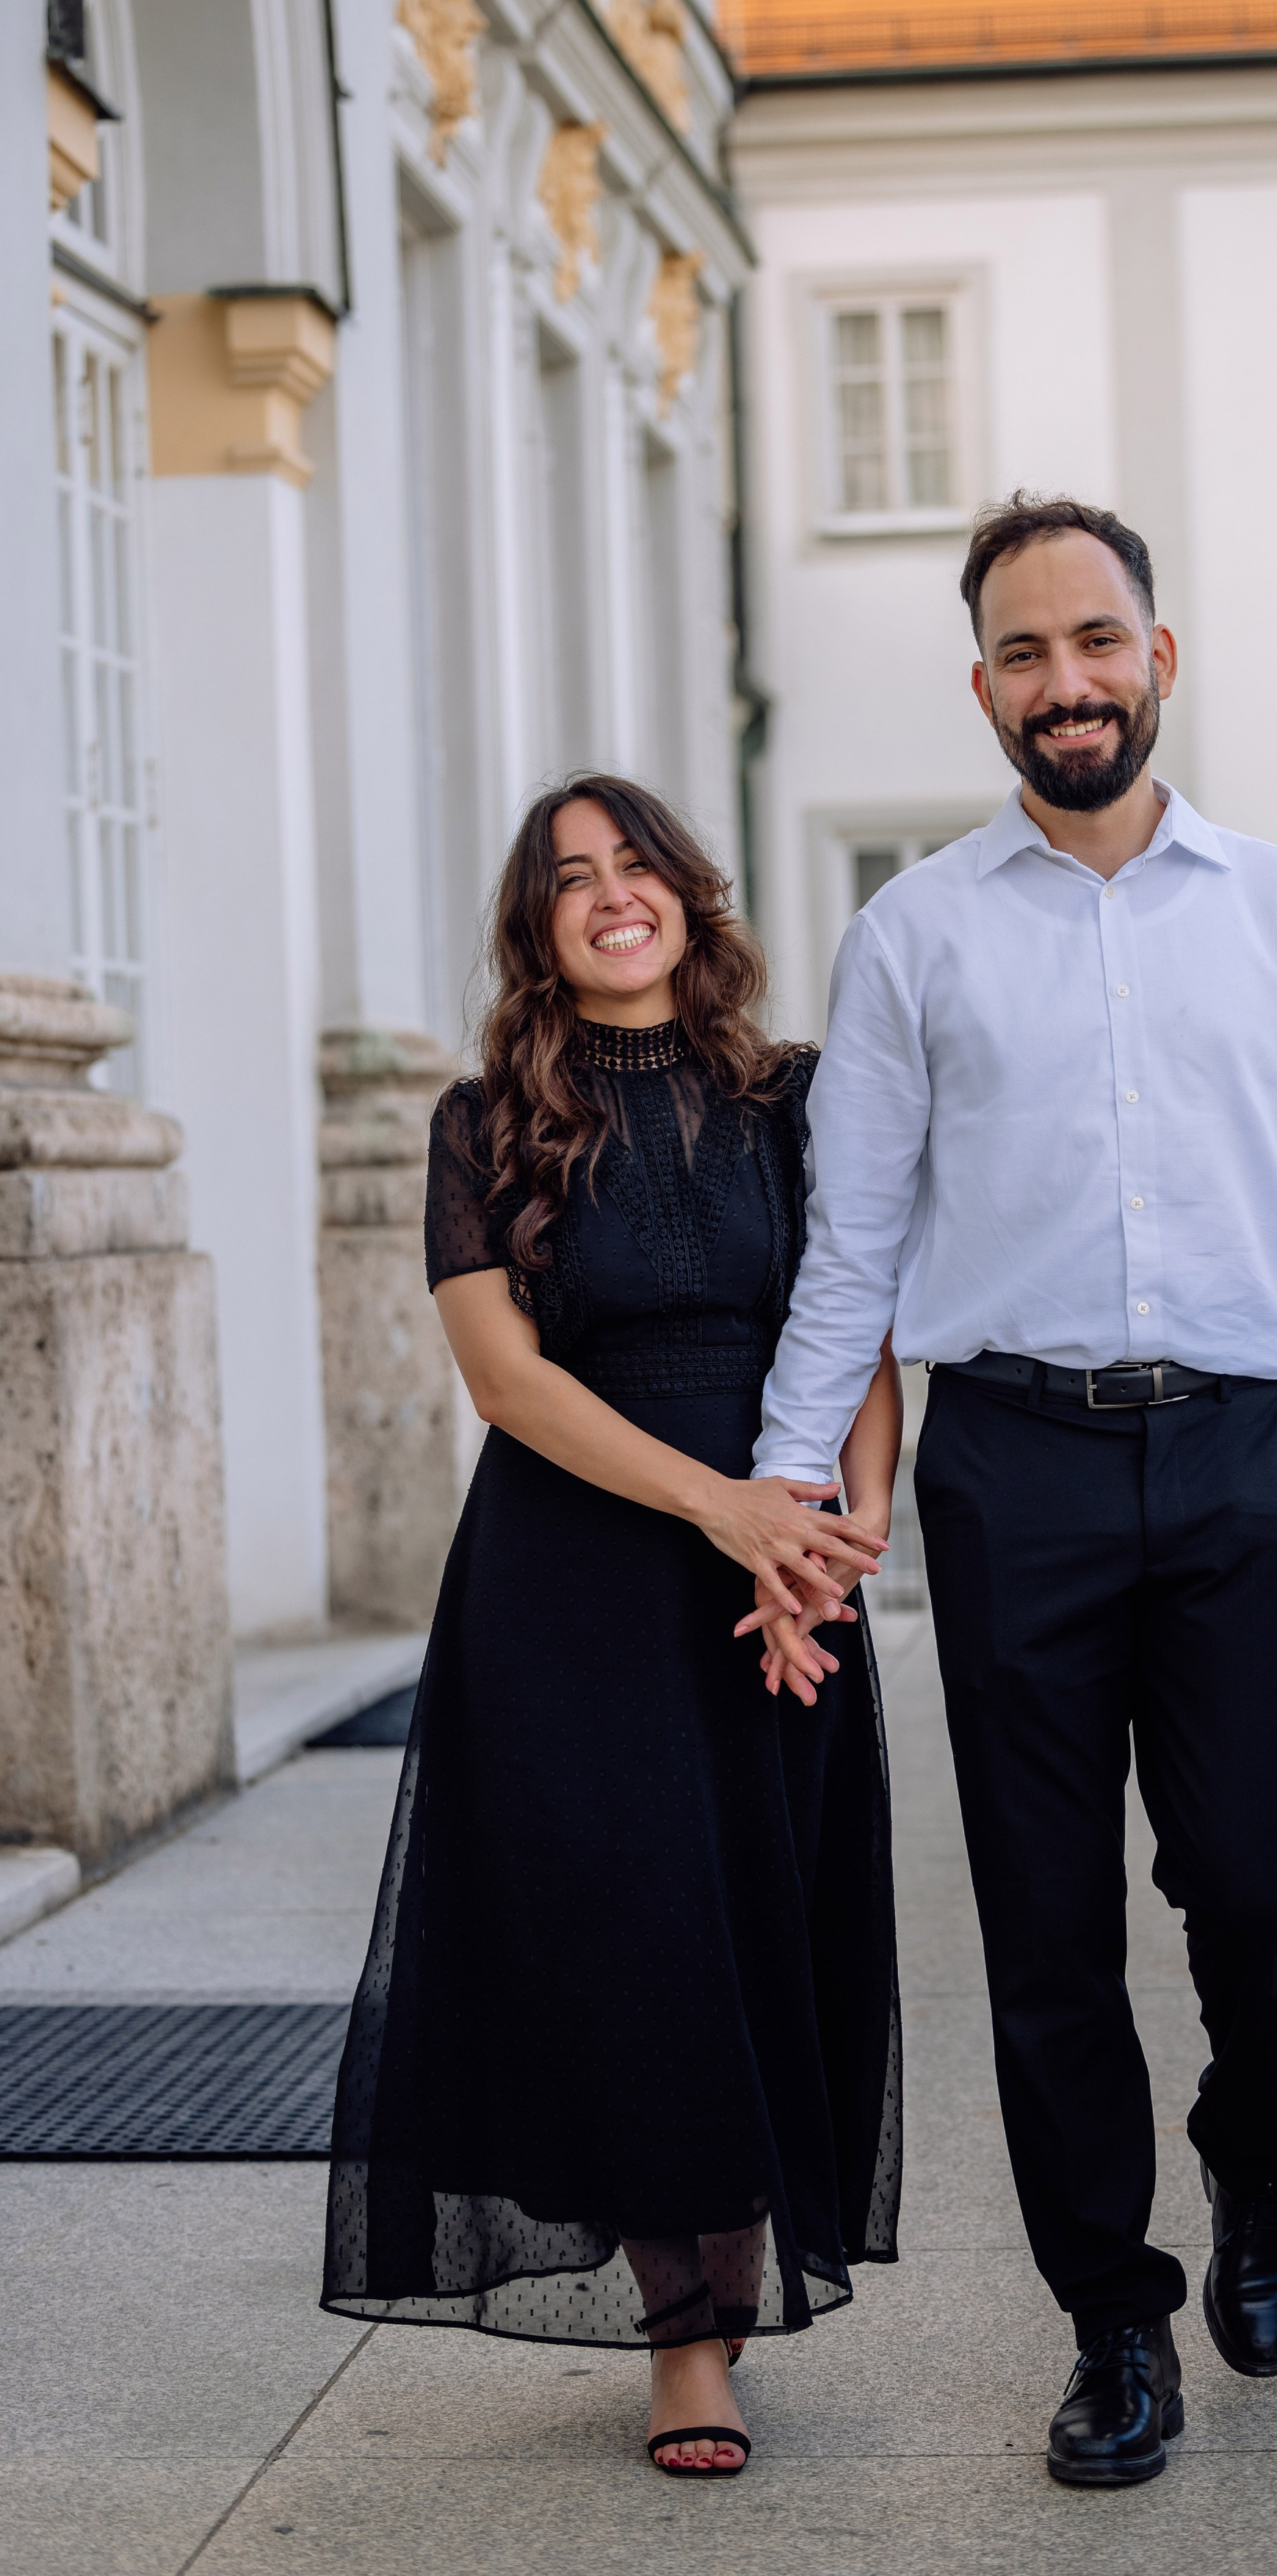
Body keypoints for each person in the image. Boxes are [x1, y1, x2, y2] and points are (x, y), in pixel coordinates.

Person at [746, 494, 1277, 2489]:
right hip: (1012, 1464)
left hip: (1238, 1452)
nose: (1068, 681)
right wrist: (800, 1495)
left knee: (1265, 1886)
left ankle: (1258, 2159)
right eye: (1026, 652)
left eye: (1097, 640)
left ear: (1159, 655)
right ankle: (1112, 2319)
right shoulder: (915, 934)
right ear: (986, 687)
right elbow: (852, 1255)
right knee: (1047, 1926)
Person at [322, 775, 903, 2479]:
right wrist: (721, 1509)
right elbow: (507, 1382)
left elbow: (858, 1315)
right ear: (538, 925)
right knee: (635, 1939)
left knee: (758, 1926)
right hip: (572, 1584)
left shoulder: (793, 1098)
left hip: (779, 1572)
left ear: (686, 891)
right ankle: (688, 2340)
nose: (609, 893)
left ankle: (730, 2276)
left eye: (632, 862)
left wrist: (835, 1540)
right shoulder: (482, 1118)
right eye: (570, 878)